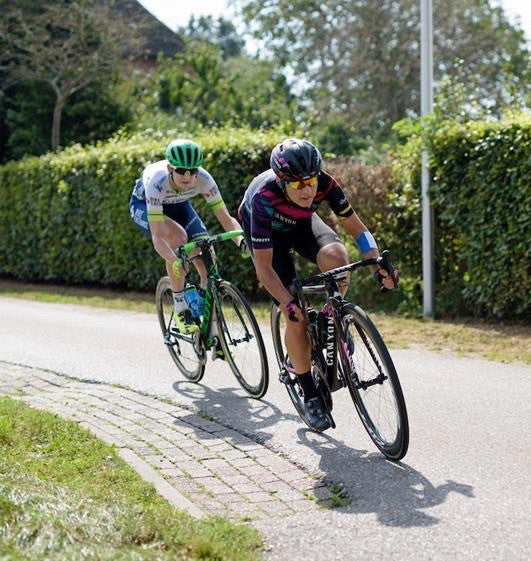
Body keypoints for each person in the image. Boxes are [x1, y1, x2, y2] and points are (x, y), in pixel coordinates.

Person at [239, 138, 397, 432]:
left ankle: (330, 317)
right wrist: (287, 303)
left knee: (337, 256)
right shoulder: (263, 198)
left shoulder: (326, 183)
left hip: (301, 225)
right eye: (298, 184)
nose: (307, 189)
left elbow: (358, 230)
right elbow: (263, 267)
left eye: (310, 181)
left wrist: (377, 262)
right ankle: (309, 392)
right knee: (296, 317)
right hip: (268, 238)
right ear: (282, 181)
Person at [129, 139, 245, 336]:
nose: (188, 176)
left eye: (193, 171)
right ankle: (181, 307)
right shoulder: (156, 182)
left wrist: (243, 242)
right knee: (179, 238)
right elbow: (158, 237)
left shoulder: (204, 179)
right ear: (170, 168)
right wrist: (175, 261)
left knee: (207, 253)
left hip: (180, 206)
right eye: (181, 170)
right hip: (144, 206)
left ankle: (210, 324)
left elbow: (226, 219)